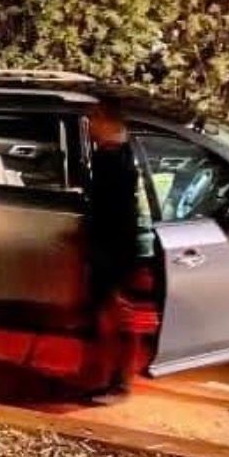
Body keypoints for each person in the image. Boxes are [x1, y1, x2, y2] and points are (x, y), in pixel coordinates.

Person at [84, 99, 142, 400]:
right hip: (113, 251)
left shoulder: (116, 161)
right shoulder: (117, 154)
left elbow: (117, 217)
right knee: (110, 320)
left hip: (114, 254)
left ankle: (117, 384)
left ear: (107, 121)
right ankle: (107, 379)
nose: (89, 124)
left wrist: (106, 261)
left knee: (116, 321)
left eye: (93, 118)